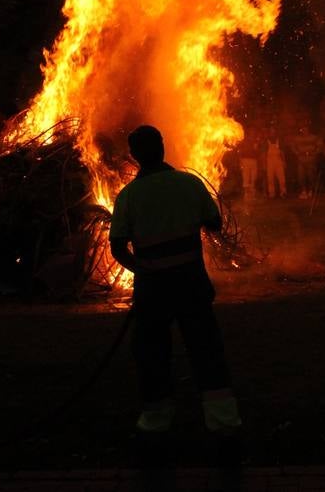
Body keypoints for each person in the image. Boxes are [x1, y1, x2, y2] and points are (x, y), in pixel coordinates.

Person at [109, 125, 241, 438]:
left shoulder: (129, 196)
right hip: (191, 282)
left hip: (153, 289)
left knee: (152, 352)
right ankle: (222, 419)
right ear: (163, 147)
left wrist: (141, 269)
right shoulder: (189, 184)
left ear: (135, 156)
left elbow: (117, 247)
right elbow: (214, 222)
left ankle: (156, 420)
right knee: (206, 348)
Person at [265, 128, 286, 199]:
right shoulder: (266, 141)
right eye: (271, 132)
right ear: (269, 133)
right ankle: (272, 193)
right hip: (269, 162)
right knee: (270, 179)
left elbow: (282, 152)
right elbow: (264, 153)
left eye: (274, 132)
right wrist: (264, 163)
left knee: (281, 178)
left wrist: (284, 161)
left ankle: (283, 193)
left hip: (278, 161)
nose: (272, 133)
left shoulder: (279, 141)